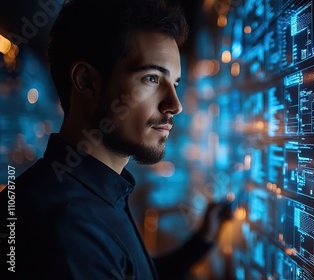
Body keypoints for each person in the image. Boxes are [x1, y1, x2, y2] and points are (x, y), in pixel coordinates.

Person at [1, 0, 231, 279]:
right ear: (86, 81)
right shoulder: (66, 227)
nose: (175, 104)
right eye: (151, 78)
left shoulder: (90, 193)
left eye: (175, 83)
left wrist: (202, 241)